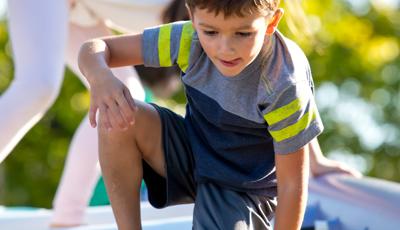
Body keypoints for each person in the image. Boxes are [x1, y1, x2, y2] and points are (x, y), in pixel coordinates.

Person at [77, 0, 352, 228]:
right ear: (192, 16)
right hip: (194, 154)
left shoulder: (283, 81)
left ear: (271, 23)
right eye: (211, 32)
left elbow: (292, 184)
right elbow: (96, 48)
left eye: (243, 34)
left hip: (244, 189)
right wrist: (100, 78)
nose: (225, 48)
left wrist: (315, 163)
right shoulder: (188, 39)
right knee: (116, 116)